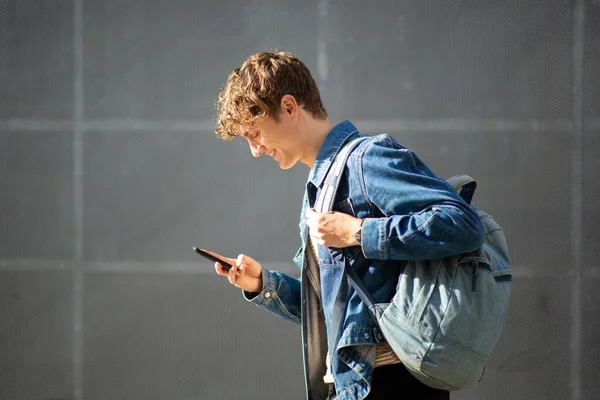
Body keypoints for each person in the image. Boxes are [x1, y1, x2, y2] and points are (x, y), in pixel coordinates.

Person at [207, 51, 485, 400]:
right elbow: (333, 312)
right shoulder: (318, 190)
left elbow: (462, 224)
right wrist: (263, 284)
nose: (255, 150)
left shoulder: (366, 159)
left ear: (290, 107)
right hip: (355, 385)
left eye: (255, 133)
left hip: (393, 382)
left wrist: (357, 232)